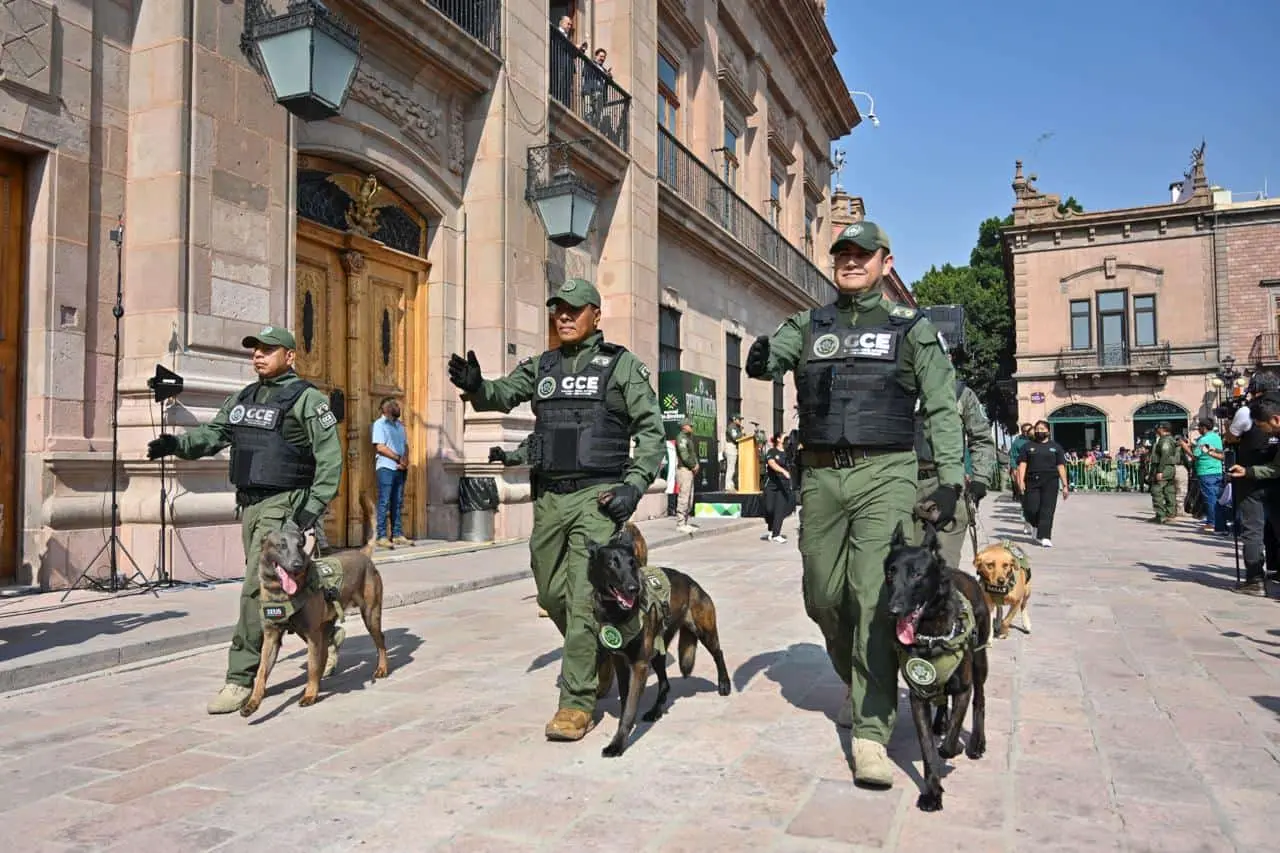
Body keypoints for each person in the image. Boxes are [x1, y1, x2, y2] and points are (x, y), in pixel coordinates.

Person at [744, 220, 964, 788]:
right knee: (823, 594)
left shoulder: (911, 329)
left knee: (871, 597)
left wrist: (950, 480)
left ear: (885, 264)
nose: (850, 261)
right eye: (842, 252)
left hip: (885, 473)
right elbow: (772, 359)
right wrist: (762, 356)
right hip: (820, 475)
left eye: (862, 254)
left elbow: (942, 406)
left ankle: (871, 730)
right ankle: (859, 676)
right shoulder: (809, 324)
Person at [449, 278, 665, 741]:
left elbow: (651, 431)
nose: (563, 316)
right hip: (549, 497)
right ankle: (602, 650)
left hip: (598, 497)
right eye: (558, 310)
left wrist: (634, 485)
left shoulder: (621, 366)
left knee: (584, 596)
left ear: (595, 315)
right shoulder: (543, 366)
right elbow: (501, 394)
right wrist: (476, 386)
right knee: (550, 595)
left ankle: (576, 701)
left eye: (574, 309)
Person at [146, 326, 344, 713]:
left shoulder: (307, 400)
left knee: (257, 587)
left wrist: (307, 512)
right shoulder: (244, 397)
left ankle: (240, 678)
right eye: (255, 350)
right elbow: (214, 434)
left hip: (283, 505)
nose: (257, 355)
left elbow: (330, 461)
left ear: (289, 356)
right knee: (289, 585)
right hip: (250, 506)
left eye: (268, 349)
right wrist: (177, 444)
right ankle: (326, 628)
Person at [913, 323, 996, 570]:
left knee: (944, 569)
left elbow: (981, 438)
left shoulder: (961, 394)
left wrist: (980, 479)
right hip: (903, 485)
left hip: (945, 484)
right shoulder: (900, 391)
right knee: (907, 571)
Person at [1225, 375, 1280, 593]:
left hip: (1251, 479)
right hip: (1274, 477)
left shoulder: (1246, 411)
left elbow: (1232, 437)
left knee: (1253, 529)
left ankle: (1255, 579)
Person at [1015, 420, 1068, 546]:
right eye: (1038, 429)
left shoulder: (1056, 447)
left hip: (1051, 481)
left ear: (1048, 431)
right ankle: (1034, 525)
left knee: (1047, 509)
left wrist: (1065, 485)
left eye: (1043, 429)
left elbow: (1061, 466)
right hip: (1032, 481)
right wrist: (1021, 481)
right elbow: (1022, 465)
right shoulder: (1027, 447)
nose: (1040, 431)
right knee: (1030, 508)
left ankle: (1044, 536)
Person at [372, 397, 411, 548]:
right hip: (386, 468)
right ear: (385, 409)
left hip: (400, 468)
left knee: (398, 501)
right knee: (385, 501)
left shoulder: (400, 426)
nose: (397, 407)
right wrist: (398, 459)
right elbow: (380, 447)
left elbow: (405, 445)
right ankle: (381, 536)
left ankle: (397, 534)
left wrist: (405, 460)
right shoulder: (379, 424)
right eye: (394, 405)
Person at [1191, 418, 1227, 534]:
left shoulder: (1203, 440)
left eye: (1199, 428)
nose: (1198, 430)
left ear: (1204, 428)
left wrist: (1185, 447)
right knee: (1218, 498)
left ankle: (1212, 522)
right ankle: (1219, 522)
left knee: (1210, 498)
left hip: (1205, 471)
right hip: (1217, 470)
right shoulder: (1217, 437)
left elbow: (1195, 455)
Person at [761, 433, 795, 542]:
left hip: (784, 486)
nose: (787, 439)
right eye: (785, 437)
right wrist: (783, 471)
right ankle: (771, 529)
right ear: (779, 439)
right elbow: (771, 463)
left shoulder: (789, 452)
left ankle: (776, 534)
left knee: (779, 510)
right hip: (771, 484)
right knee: (769, 509)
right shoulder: (772, 451)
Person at [1147, 421, 1179, 523]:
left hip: (1163, 468)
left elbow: (1165, 454)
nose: (1156, 430)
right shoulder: (1170, 439)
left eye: (1158, 428)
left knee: (1156, 490)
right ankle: (1170, 514)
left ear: (1162, 429)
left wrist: (1160, 471)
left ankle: (1161, 515)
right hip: (1169, 468)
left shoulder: (1165, 440)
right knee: (1169, 490)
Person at [674, 419, 700, 533]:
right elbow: (684, 456)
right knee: (684, 497)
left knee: (689, 498)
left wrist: (696, 464)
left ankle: (685, 522)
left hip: (689, 470)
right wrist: (693, 465)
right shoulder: (681, 438)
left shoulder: (688, 438)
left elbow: (692, 454)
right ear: (684, 426)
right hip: (684, 470)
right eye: (690, 426)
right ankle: (680, 523)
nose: (692, 427)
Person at [1009, 423, 1033, 500]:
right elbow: (1013, 456)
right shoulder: (1017, 442)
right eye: (1025, 431)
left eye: (1029, 430)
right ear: (1022, 431)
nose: (1027, 432)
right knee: (1022, 487)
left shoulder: (1036, 440)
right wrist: (1014, 468)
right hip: (1021, 468)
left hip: (1034, 467)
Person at [723, 414, 744, 491]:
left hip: (734, 447)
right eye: (739, 419)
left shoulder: (737, 427)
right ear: (734, 419)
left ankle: (731, 485)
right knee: (731, 468)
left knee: (733, 468)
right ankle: (728, 486)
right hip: (731, 447)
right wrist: (742, 433)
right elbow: (735, 437)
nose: (740, 421)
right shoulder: (732, 426)